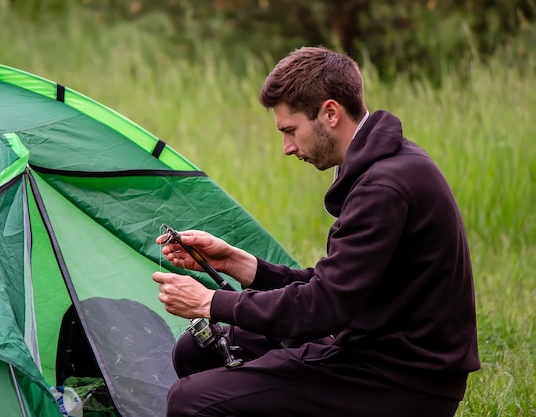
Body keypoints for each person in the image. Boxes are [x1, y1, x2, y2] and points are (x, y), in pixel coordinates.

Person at [152, 46, 480, 417]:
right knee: (196, 349)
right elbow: (336, 288)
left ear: (330, 113)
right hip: (374, 353)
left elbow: (323, 308)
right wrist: (238, 263)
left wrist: (210, 302)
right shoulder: (381, 164)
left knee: (189, 401)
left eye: (290, 131)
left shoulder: (383, 188)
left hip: (399, 381)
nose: (287, 148)